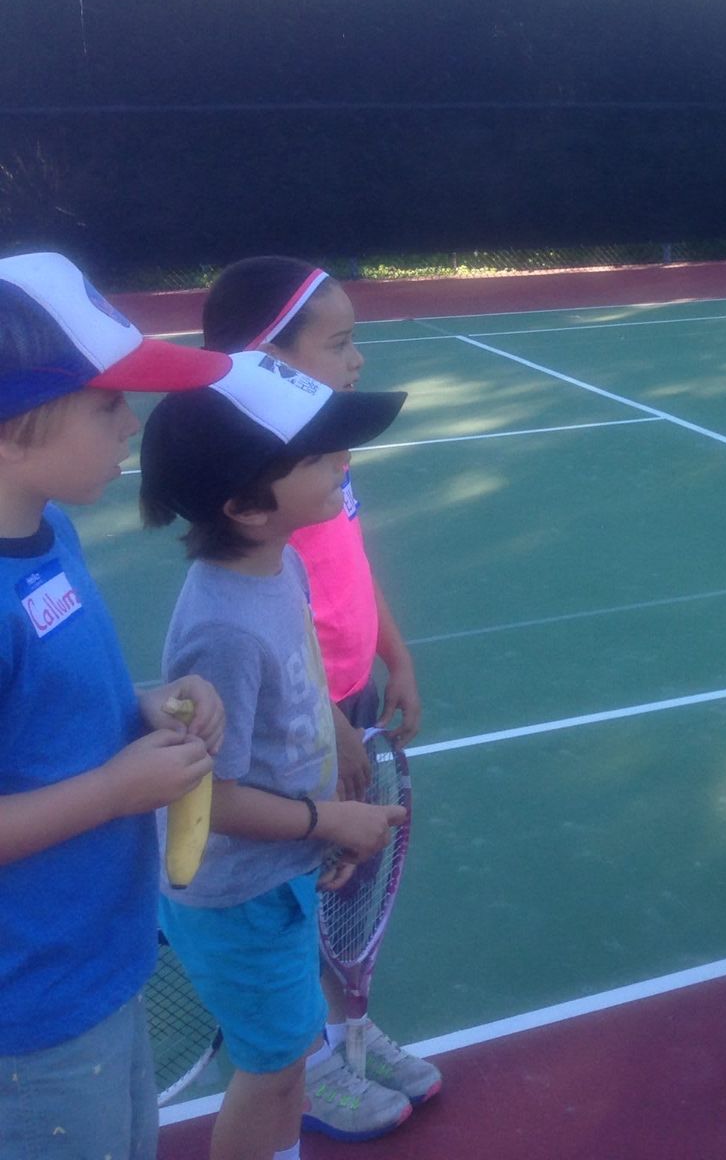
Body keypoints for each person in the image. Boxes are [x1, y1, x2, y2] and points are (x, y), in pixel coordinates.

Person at [140, 354, 413, 1159]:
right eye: (320, 457)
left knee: (288, 1061)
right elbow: (206, 797)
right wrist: (329, 818)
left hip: (277, 870)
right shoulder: (220, 630)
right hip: (235, 898)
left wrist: (329, 751)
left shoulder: (279, 561)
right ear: (247, 507)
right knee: (273, 1070)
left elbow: (296, 671)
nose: (345, 465)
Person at [0, 251, 230, 1160]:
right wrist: (113, 792)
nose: (130, 426)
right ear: (14, 427)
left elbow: (43, 715)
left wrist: (147, 705)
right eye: (106, 405)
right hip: (33, 1016)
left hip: (100, 967)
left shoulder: (47, 531)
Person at [200, 258, 441, 1123]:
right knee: (289, 886)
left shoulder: (325, 451)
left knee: (346, 879)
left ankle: (347, 1029)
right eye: (338, 343)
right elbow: (281, 607)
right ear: (269, 354)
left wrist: (395, 656)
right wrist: (334, 724)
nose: (357, 358)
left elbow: (351, 562)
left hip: (349, 702)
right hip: (301, 720)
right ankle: (298, 1060)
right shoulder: (257, 469)